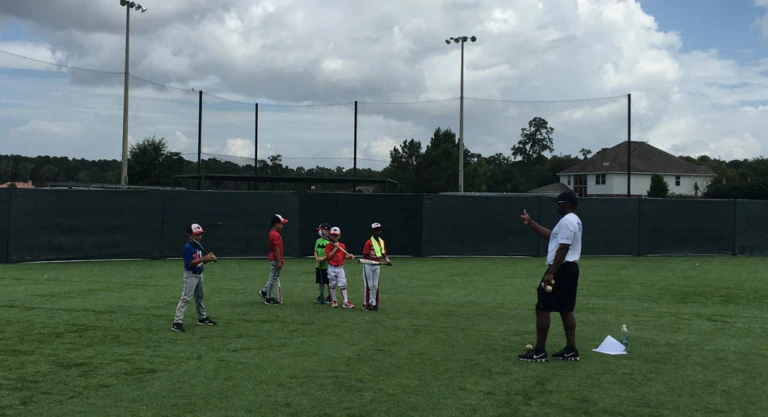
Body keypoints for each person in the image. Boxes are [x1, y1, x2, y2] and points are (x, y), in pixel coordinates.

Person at [518, 191, 583, 362]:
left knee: (543, 307)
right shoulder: (573, 220)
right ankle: (571, 349)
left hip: (561, 268)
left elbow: (563, 248)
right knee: (566, 308)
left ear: (567, 204)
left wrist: (551, 272)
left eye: (559, 203)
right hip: (570, 269)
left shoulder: (568, 221)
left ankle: (539, 351)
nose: (557, 206)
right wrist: (530, 222)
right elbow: (552, 237)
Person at [172, 223, 218, 332]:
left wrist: (209, 259)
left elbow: (200, 263)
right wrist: (204, 258)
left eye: (200, 234)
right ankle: (177, 322)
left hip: (199, 274)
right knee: (186, 298)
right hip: (191, 275)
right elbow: (190, 264)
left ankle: (202, 318)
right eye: (196, 234)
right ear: (190, 235)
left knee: (200, 297)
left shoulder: (198, 245)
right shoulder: (188, 247)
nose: (199, 236)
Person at [259, 214, 288, 305]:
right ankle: (269, 298)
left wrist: (280, 259)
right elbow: (276, 249)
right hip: (275, 259)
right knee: (272, 278)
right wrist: (279, 261)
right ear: (276, 224)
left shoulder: (274, 233)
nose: (282, 225)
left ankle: (264, 291)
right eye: (280, 223)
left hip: (275, 259)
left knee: (273, 277)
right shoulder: (274, 234)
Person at [362, 222, 392, 311]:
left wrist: (387, 260)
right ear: (373, 231)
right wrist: (374, 261)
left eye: (379, 230)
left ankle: (374, 303)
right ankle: (366, 304)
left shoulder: (382, 241)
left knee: (375, 285)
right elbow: (365, 255)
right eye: (376, 230)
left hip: (377, 266)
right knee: (368, 285)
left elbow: (384, 253)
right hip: (368, 265)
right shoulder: (368, 242)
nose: (378, 232)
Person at [325, 227, 356, 309]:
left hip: (340, 268)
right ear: (330, 236)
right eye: (332, 235)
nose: (334, 237)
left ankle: (345, 302)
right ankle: (334, 301)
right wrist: (335, 248)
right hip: (331, 268)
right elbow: (329, 256)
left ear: (339, 236)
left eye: (336, 235)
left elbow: (344, 256)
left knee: (343, 284)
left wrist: (349, 256)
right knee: (332, 284)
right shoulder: (328, 245)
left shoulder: (342, 245)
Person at [314, 223, 333, 304]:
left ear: (327, 231)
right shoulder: (318, 241)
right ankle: (321, 295)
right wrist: (317, 258)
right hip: (318, 265)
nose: (320, 232)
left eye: (322, 230)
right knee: (320, 282)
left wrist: (323, 258)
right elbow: (315, 251)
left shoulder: (329, 242)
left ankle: (330, 296)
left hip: (327, 265)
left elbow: (329, 253)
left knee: (328, 282)